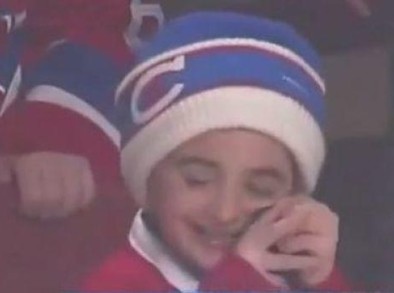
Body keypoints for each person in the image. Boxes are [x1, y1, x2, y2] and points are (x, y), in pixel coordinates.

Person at [78, 11, 350, 292]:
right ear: (147, 181)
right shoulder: (115, 284)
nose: (225, 212)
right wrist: (241, 281)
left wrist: (320, 281)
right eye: (197, 180)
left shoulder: (288, 272)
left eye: (260, 188)